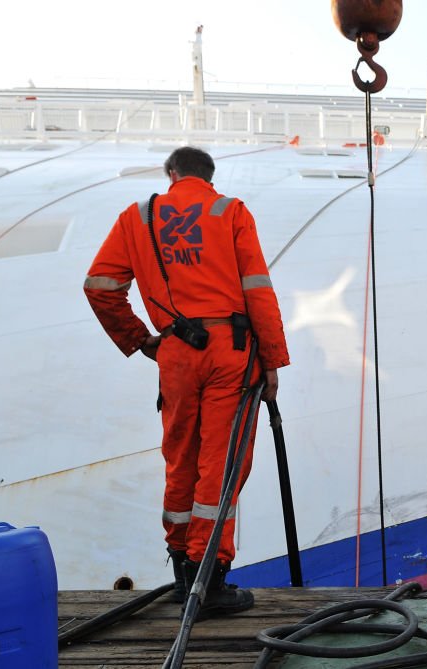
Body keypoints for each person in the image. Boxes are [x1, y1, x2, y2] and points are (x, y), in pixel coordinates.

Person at [84, 146, 289, 619]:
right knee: (222, 461)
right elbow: (258, 289)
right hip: (230, 350)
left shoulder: (137, 216)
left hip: (175, 350)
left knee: (181, 457)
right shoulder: (229, 211)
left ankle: (182, 568)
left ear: (171, 174)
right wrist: (273, 360)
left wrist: (141, 339)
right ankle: (209, 576)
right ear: (209, 178)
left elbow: (99, 285)